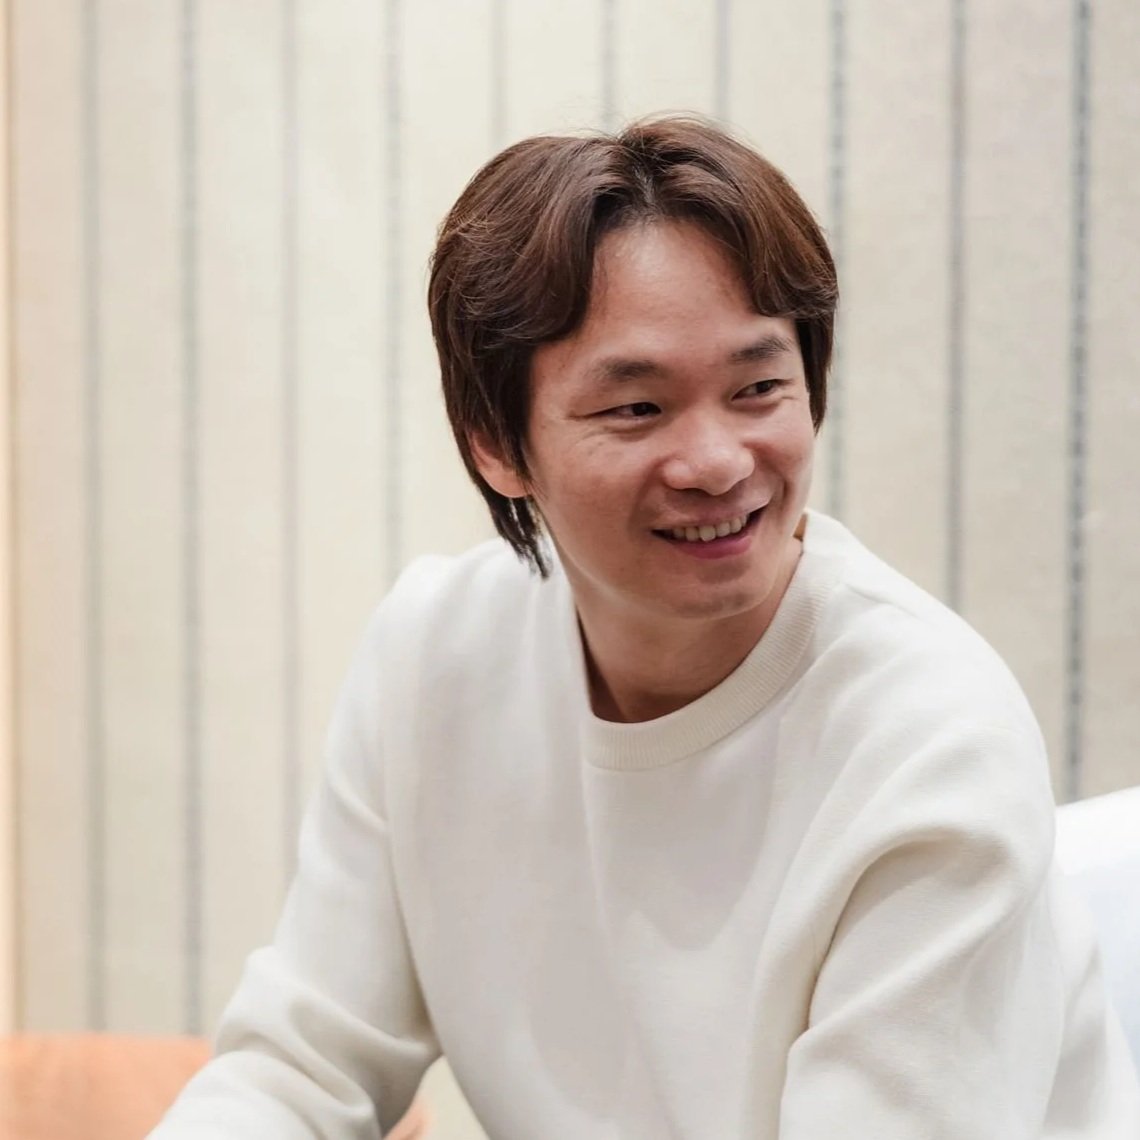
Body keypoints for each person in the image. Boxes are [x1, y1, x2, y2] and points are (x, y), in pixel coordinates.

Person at [149, 116, 1140, 1139]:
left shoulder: (929, 741)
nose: (716, 460)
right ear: (496, 443)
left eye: (759, 387)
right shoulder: (433, 661)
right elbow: (303, 1067)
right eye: (636, 409)